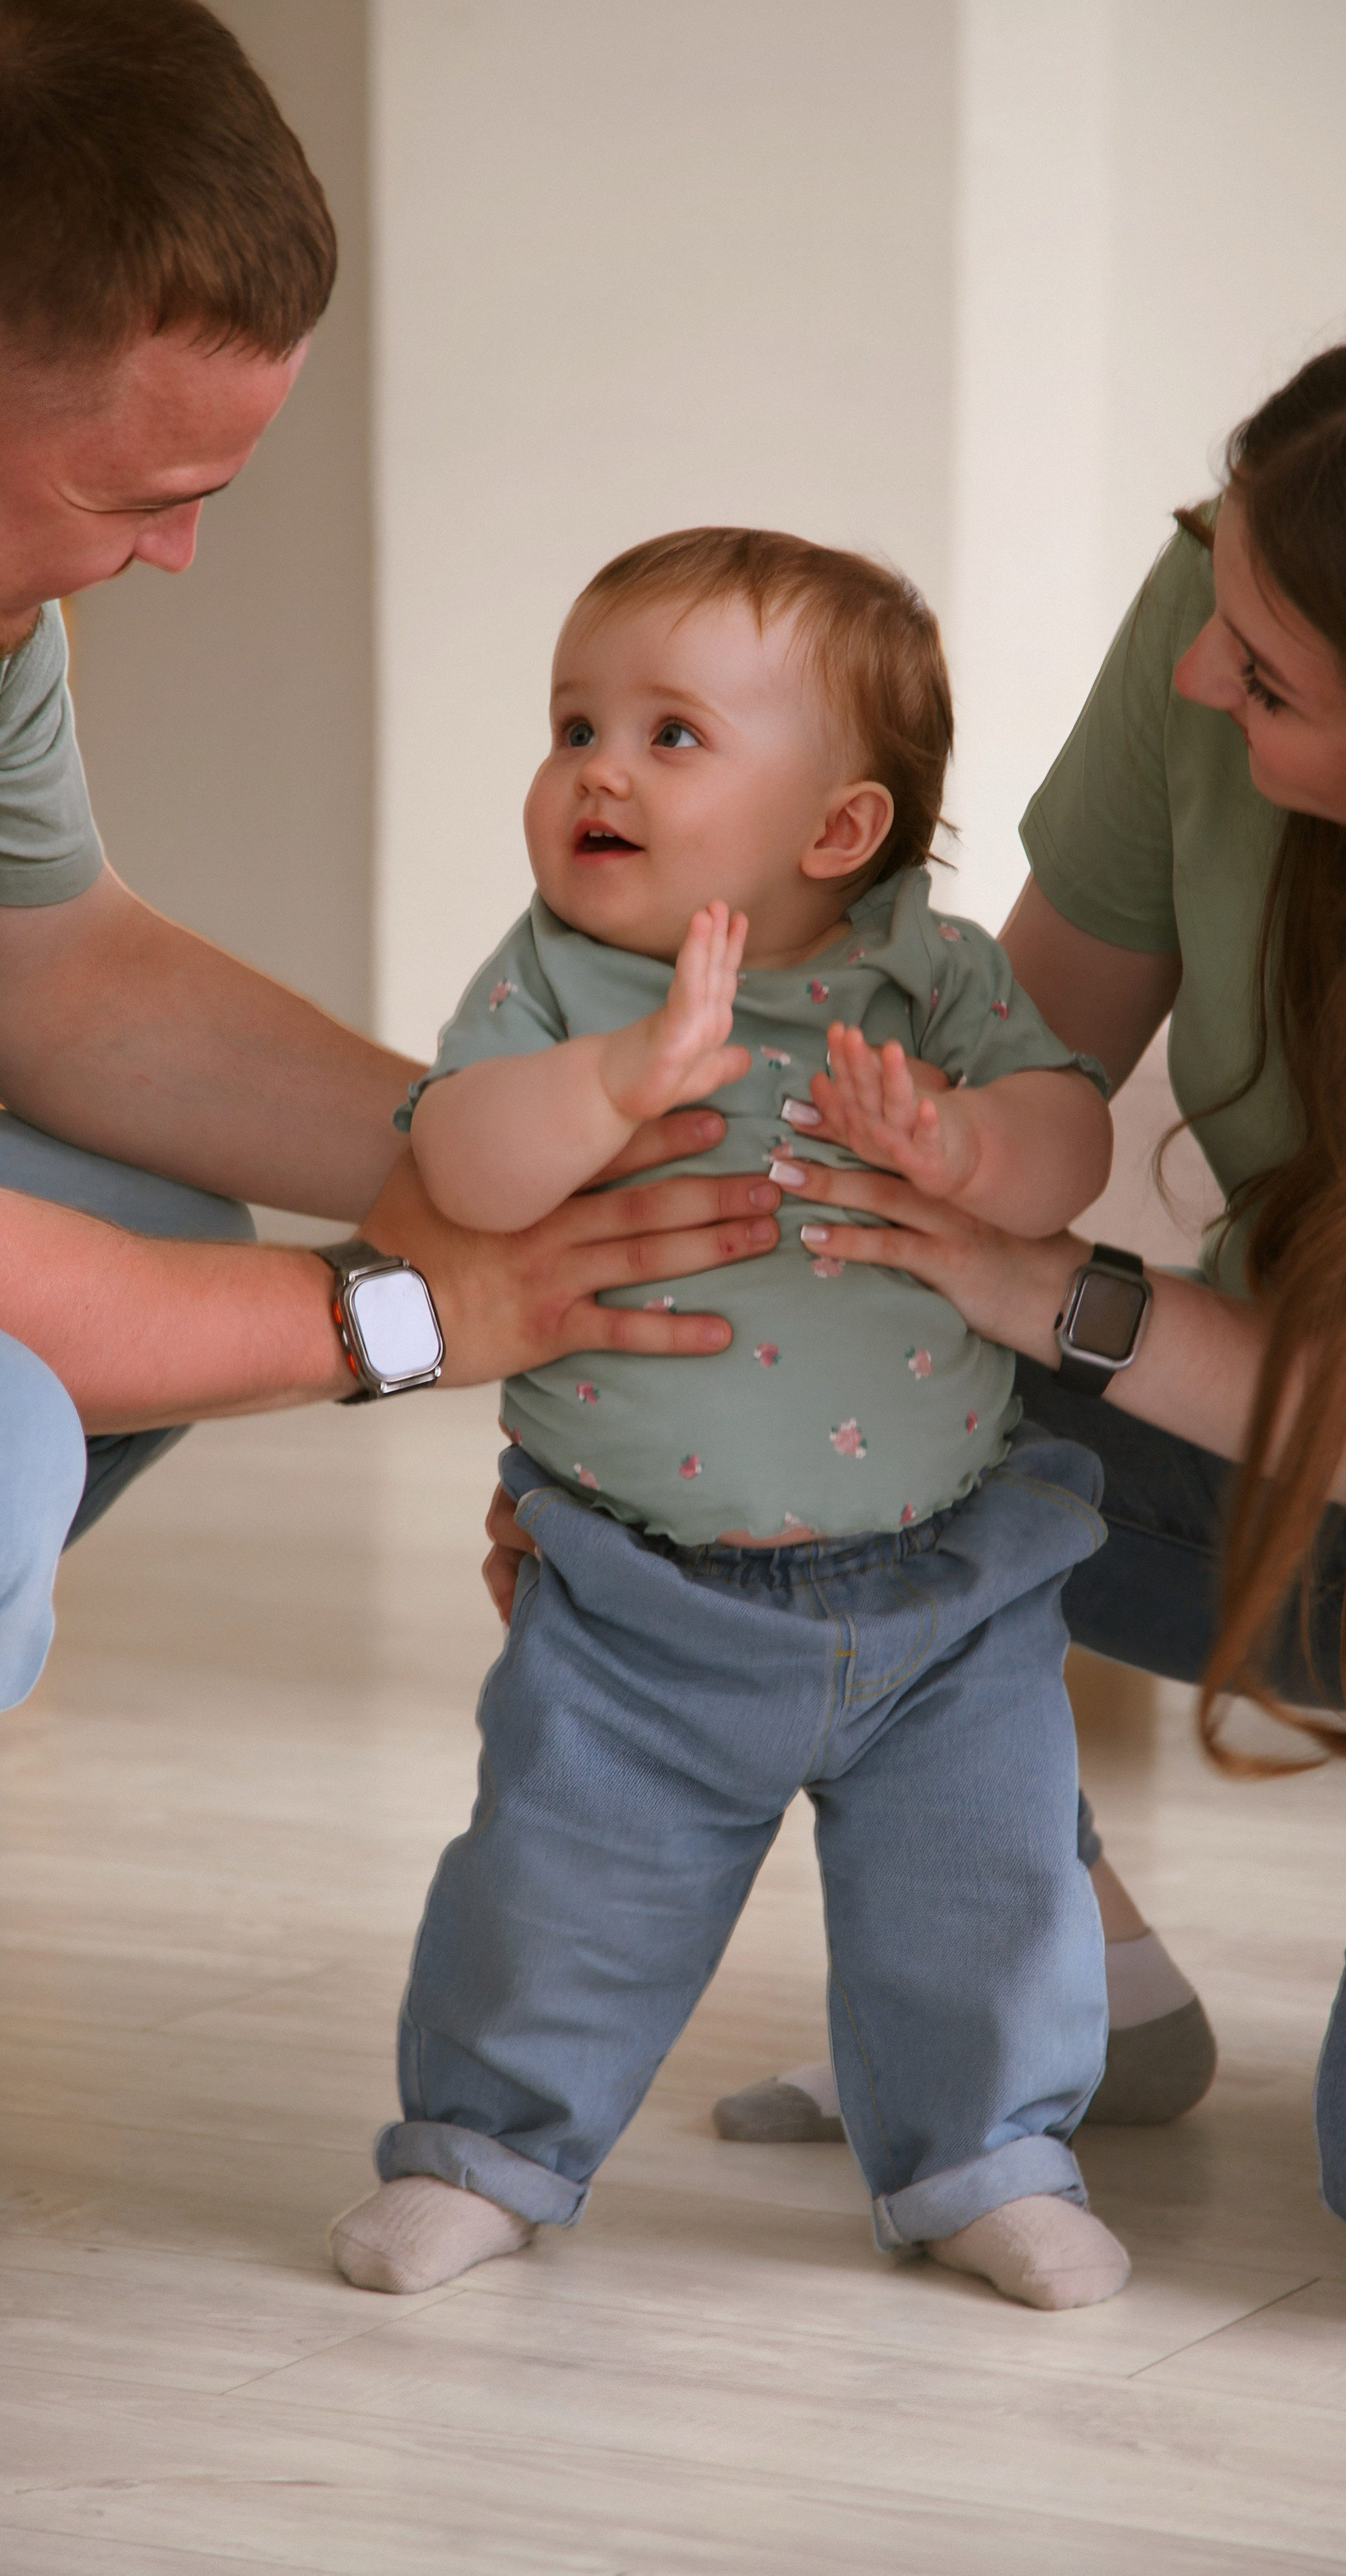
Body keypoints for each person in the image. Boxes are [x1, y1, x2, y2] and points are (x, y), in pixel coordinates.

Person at [708, 293, 1346, 2328]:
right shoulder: (1222, 600)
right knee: (741, 1367)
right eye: (1220, 578)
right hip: (1318, 1458)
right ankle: (1063, 1973)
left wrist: (1066, 1294)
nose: (1203, 664)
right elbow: (1037, 1062)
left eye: (1275, 672)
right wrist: (909, 1158)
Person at [0, 0, 790, 1958]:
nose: (177, 556)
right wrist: (415, 1313)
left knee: (141, 1219)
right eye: (142, 497)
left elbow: (56, 976)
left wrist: (501, 1140)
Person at [327, 527, 1138, 2312]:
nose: (595, 767)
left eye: (669, 733)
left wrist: (971, 1151)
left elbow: (1068, 1133)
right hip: (635, 1588)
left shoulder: (928, 973)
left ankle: (989, 2154)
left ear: (836, 832)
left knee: (985, 1890)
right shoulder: (554, 980)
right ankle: (486, 2148)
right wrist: (618, 1081)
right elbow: (454, 1160)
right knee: (555, 1887)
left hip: (948, 1575)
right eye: (573, 723)